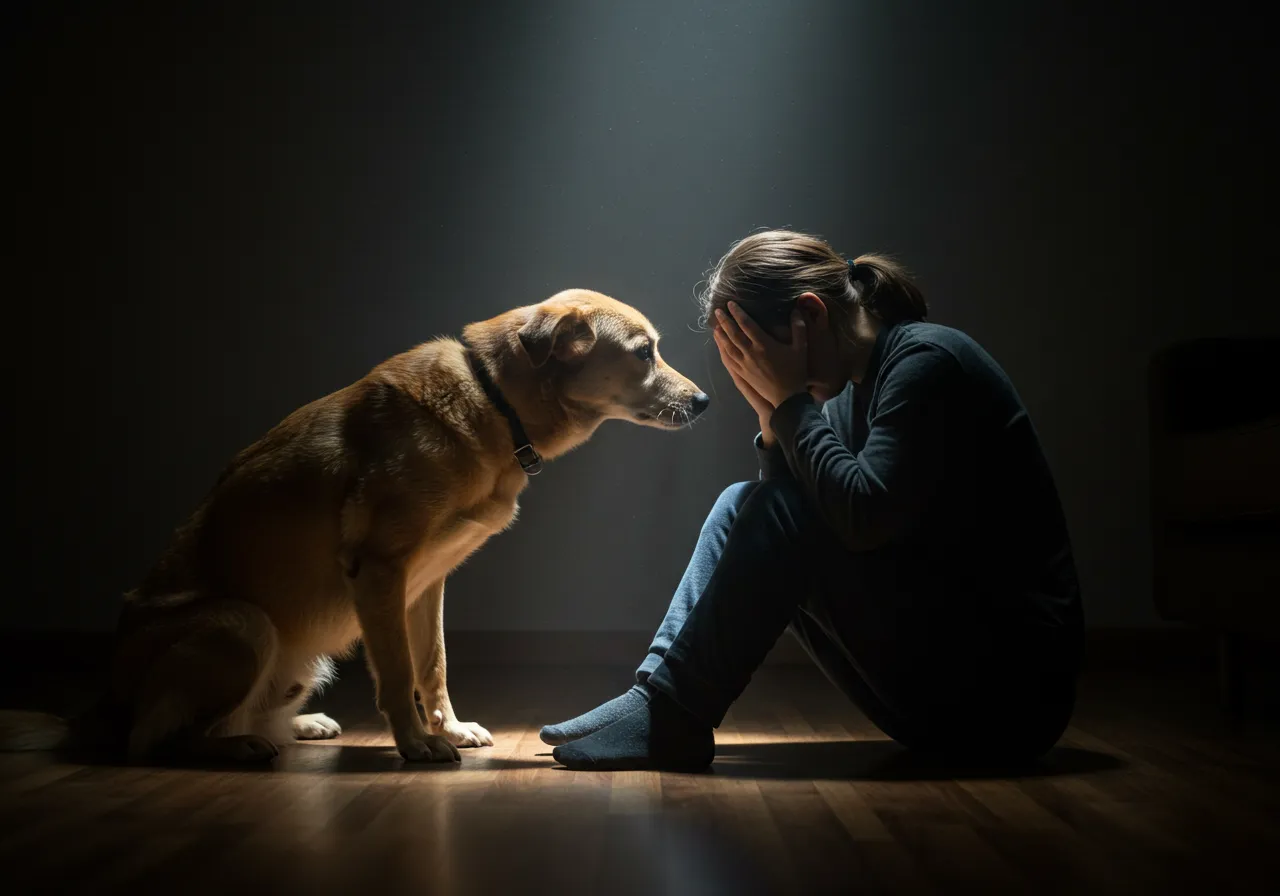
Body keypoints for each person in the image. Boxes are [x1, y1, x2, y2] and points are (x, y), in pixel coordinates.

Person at [542, 229, 1084, 772]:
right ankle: (657, 699)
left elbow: (860, 517)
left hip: (1009, 703)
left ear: (808, 315)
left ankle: (673, 716)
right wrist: (774, 419)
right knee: (742, 500)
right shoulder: (852, 386)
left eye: (756, 351)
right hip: (938, 692)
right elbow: (800, 509)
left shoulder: (929, 360)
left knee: (773, 508)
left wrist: (791, 406)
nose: (753, 369)